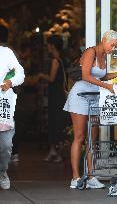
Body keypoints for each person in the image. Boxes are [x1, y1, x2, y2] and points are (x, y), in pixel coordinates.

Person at [64, 30, 117, 189]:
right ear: (104, 40)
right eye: (112, 45)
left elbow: (102, 76)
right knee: (79, 137)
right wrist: (107, 87)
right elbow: (86, 76)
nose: (113, 49)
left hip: (94, 98)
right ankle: (76, 178)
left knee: (92, 140)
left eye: (115, 47)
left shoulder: (104, 56)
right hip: (80, 96)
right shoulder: (90, 52)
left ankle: (91, 176)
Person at [0, 24, 25, 189]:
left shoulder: (6, 53)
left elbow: (20, 73)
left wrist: (10, 81)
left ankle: (2, 171)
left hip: (3, 104)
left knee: (6, 145)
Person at [38, 34, 67, 163]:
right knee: (55, 121)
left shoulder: (56, 61)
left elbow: (51, 78)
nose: (47, 47)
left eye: (49, 44)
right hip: (57, 95)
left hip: (56, 96)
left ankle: (57, 152)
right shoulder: (62, 60)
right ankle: (53, 151)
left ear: (53, 46)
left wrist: (41, 75)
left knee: (55, 122)